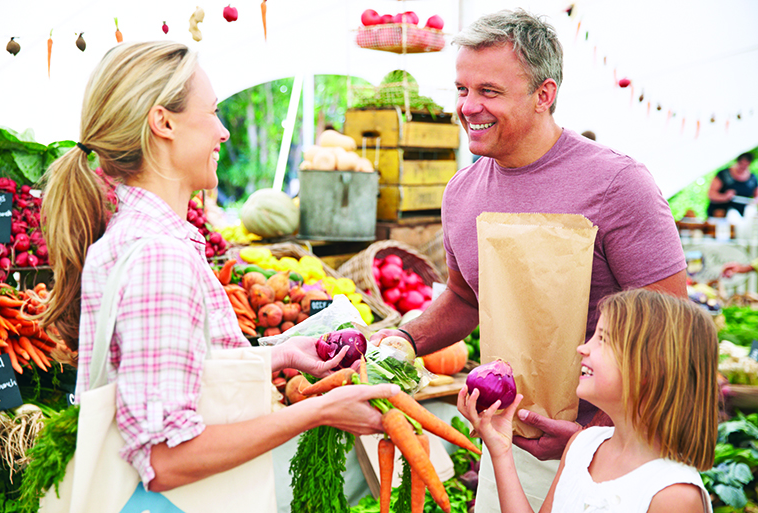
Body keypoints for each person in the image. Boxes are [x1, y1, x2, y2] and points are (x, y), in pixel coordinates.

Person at [38, 41, 398, 494]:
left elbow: (191, 371)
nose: (224, 132)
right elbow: (165, 459)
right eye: (211, 112)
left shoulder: (144, 239)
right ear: (162, 122)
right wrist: (318, 411)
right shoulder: (158, 258)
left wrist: (283, 354)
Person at [371, 9, 687, 510]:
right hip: (510, 447)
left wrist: (592, 436)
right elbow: (463, 297)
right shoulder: (462, 193)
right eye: (461, 89)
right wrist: (404, 339)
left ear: (545, 94)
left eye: (488, 92)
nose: (468, 107)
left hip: (622, 453)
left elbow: (672, 332)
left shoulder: (618, 185)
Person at [458, 289, 717, 513]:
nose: (583, 348)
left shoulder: (674, 495)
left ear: (651, 369)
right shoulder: (583, 445)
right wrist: (501, 450)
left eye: (603, 339)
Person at [706, 152, 757, 218]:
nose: (743, 167)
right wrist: (724, 197)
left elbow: (756, 195)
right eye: (741, 164)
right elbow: (711, 194)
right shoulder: (724, 174)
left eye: (746, 165)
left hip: (742, 216)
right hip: (721, 213)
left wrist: (754, 201)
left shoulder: (752, 178)